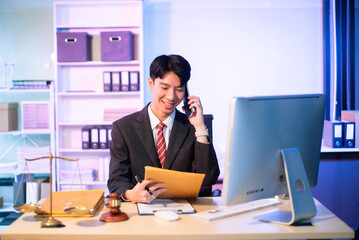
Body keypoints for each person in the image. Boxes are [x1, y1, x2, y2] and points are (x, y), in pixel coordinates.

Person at [107, 54, 220, 203]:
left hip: (185, 214)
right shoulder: (123, 128)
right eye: (165, 87)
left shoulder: (193, 126)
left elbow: (208, 178)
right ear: (151, 84)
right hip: (142, 213)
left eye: (179, 89)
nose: (171, 97)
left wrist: (200, 128)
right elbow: (116, 179)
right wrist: (130, 194)